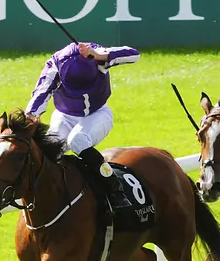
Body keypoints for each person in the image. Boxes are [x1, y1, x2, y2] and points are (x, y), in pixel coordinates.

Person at [25, 41, 140, 209]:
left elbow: (133, 54)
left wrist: (99, 55)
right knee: (49, 149)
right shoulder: (56, 64)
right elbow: (42, 90)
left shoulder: (97, 56)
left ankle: (115, 188)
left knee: (78, 141)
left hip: (98, 113)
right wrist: (32, 114)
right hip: (65, 116)